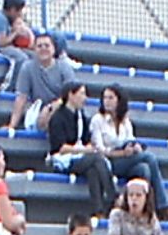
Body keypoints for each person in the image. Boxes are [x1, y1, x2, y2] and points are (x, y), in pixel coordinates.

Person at [87, 84, 168, 218]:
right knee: (150, 158)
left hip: (126, 159)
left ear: (119, 101)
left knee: (144, 169)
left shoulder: (126, 122)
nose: (107, 101)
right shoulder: (98, 120)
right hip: (109, 160)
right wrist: (122, 153)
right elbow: (99, 150)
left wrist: (135, 147)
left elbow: (130, 140)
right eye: (105, 98)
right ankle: (163, 205)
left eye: (111, 98)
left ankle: (143, 211)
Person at [46, 81, 116, 212]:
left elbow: (86, 140)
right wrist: (84, 149)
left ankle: (99, 210)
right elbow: (60, 148)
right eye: (82, 94)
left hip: (79, 157)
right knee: (96, 159)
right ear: (71, 95)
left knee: (93, 171)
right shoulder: (57, 118)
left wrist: (87, 147)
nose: (85, 98)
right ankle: (113, 196)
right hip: (63, 160)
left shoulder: (81, 116)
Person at [5, 31, 78, 134]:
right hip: (38, 110)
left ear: (53, 49)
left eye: (47, 45)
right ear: (34, 49)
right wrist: (12, 126)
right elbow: (21, 98)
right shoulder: (27, 68)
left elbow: (72, 95)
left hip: (62, 108)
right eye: (39, 46)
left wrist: (51, 108)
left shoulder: (64, 67)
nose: (43, 48)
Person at [0, 0, 34, 94]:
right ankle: (9, 88)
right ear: (11, 9)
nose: (20, 14)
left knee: (32, 56)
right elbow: (2, 42)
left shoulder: (10, 19)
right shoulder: (0, 18)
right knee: (20, 58)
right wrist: (15, 33)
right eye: (18, 11)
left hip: (7, 47)